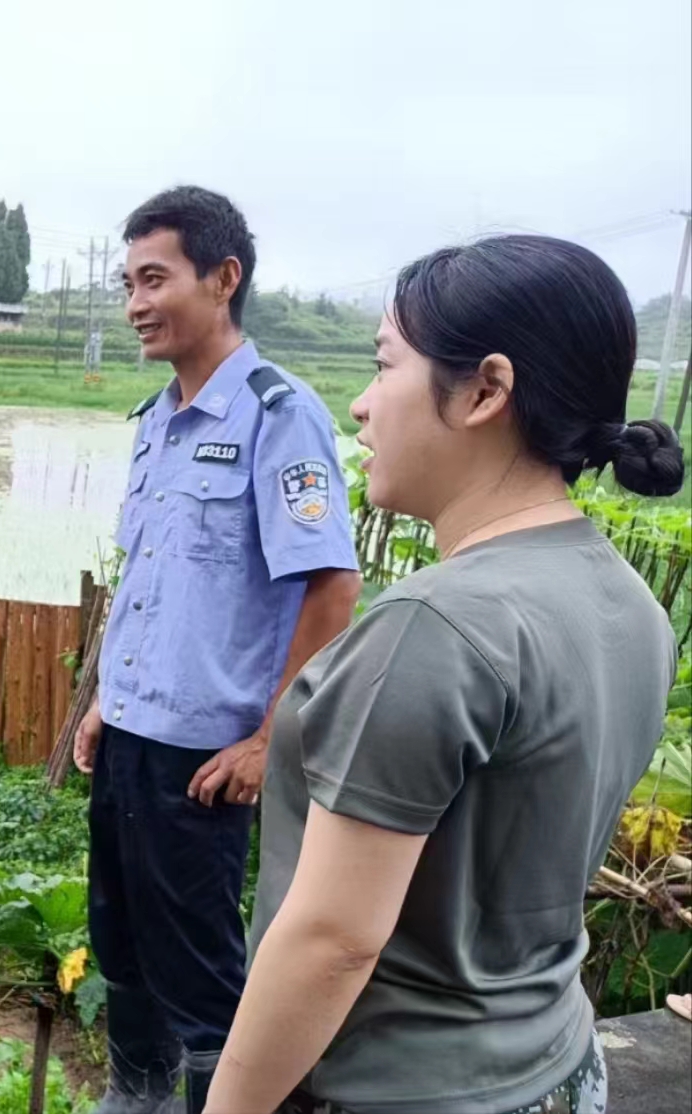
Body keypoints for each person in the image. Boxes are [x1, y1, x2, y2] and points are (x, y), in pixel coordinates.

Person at [208, 236, 685, 1114]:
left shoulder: (435, 626)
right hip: (562, 1067)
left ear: (485, 391)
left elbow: (333, 939)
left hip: (404, 1090)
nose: (359, 405)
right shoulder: (629, 605)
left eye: (384, 365)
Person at [75, 186, 362, 1114]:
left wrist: (267, 737)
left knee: (198, 962)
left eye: (154, 279)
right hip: (129, 732)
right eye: (127, 283)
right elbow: (151, 576)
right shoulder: (157, 419)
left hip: (204, 754)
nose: (134, 305)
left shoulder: (279, 416)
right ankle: (136, 1097)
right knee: (118, 939)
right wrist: (102, 702)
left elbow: (333, 587)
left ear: (223, 278)